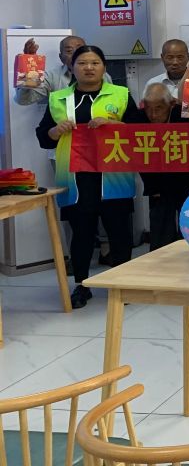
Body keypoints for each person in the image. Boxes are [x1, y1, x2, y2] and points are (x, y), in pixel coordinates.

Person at [35, 46, 138, 308]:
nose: (89, 68)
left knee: (119, 232)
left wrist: (114, 125)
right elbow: (43, 136)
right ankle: (81, 285)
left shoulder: (121, 94)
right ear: (72, 67)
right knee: (81, 233)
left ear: (104, 67)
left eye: (94, 62)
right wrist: (56, 131)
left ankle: (121, 285)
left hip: (113, 175)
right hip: (75, 176)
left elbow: (140, 131)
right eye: (82, 63)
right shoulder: (58, 98)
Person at [134, 83, 189, 250]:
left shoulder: (185, 115)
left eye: (159, 108)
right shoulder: (139, 118)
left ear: (171, 103)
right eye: (148, 108)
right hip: (157, 183)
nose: (153, 114)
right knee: (160, 231)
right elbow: (128, 140)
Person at [15, 35, 111, 106]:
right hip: (63, 125)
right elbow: (23, 100)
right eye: (69, 51)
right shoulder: (51, 76)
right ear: (61, 58)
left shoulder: (101, 75)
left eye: (80, 50)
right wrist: (29, 67)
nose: (75, 54)